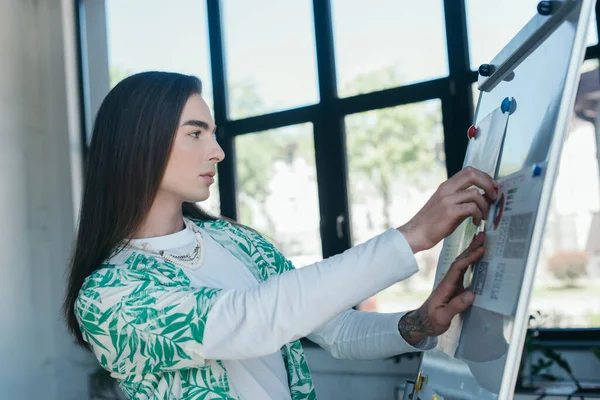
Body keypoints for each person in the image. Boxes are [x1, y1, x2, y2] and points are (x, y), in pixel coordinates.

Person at [63, 71, 497, 400]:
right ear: (140, 144)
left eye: (213, 134)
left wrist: (421, 322)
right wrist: (412, 235)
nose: (217, 151)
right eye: (195, 133)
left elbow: (336, 331)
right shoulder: (109, 296)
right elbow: (255, 320)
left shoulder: (239, 243)